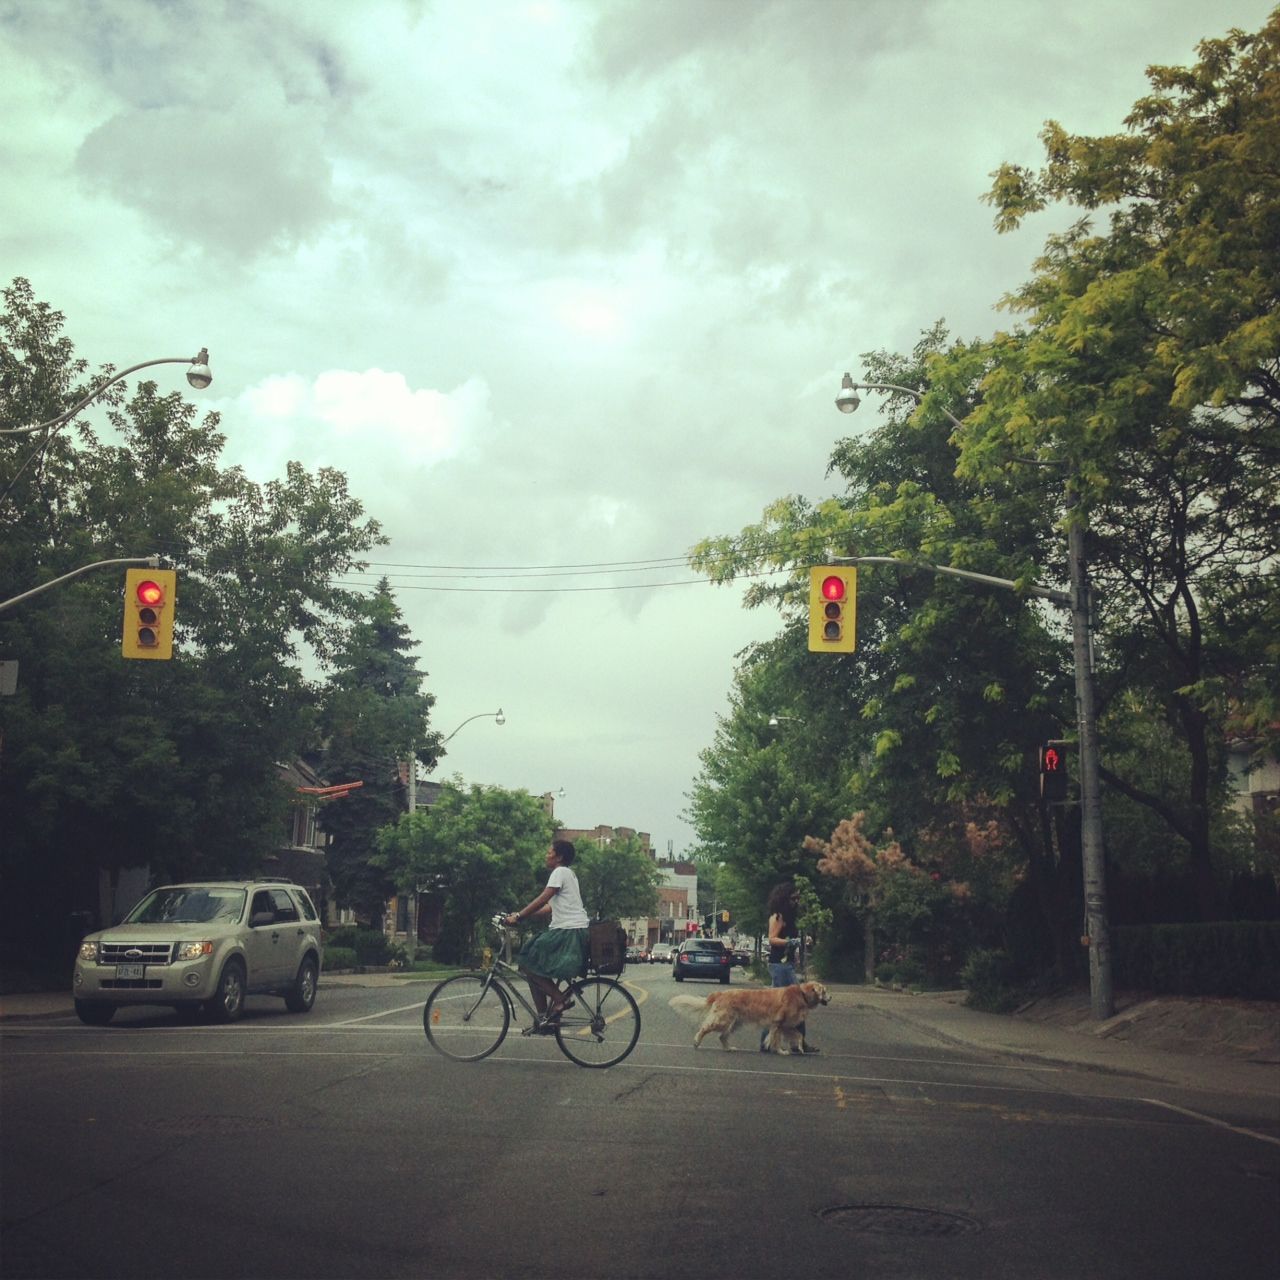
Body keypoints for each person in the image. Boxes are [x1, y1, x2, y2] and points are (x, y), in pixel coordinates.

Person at [505, 839, 590, 1030]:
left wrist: (519, 915)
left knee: (527, 960)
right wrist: (520, 917)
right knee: (533, 967)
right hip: (571, 930)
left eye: (549, 851)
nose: (546, 854)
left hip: (568, 932)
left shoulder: (559, 872)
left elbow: (545, 897)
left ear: (559, 857)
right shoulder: (569, 875)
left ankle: (559, 999)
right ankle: (545, 1019)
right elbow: (548, 908)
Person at [760, 880, 819, 1054]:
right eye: (793, 898)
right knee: (793, 1003)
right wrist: (789, 941)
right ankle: (786, 1042)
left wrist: (800, 944)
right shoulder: (777, 916)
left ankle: (793, 1043)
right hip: (780, 964)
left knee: (791, 1005)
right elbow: (771, 938)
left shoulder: (790, 917)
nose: (796, 901)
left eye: (798, 898)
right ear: (785, 898)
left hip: (787, 963)